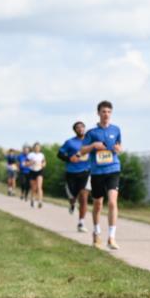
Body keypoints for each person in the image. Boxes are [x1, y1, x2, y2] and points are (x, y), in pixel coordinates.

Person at [78, 101, 124, 250]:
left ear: (111, 114)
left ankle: (111, 237)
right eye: (103, 111)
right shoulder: (91, 133)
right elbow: (83, 151)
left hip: (113, 169)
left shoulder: (116, 130)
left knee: (112, 202)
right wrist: (93, 146)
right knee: (98, 204)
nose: (106, 114)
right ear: (98, 113)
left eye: (109, 112)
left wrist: (118, 149)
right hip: (97, 172)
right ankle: (96, 233)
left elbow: (119, 147)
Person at [58, 121, 91, 233]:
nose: (80, 128)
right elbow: (60, 154)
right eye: (78, 127)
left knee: (83, 196)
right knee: (72, 197)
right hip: (71, 173)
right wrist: (69, 158)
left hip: (86, 172)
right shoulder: (70, 142)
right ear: (75, 130)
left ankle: (81, 222)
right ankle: (72, 204)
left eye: (82, 126)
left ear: (84, 128)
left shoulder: (90, 141)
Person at [27, 142, 46, 208]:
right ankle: (32, 199)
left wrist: (43, 165)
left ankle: (40, 201)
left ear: (40, 148)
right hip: (32, 171)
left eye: (38, 147)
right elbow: (26, 164)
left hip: (39, 171)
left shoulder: (42, 155)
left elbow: (44, 163)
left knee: (39, 186)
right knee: (33, 188)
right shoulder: (30, 155)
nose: (37, 148)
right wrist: (31, 162)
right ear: (34, 148)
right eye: (36, 147)